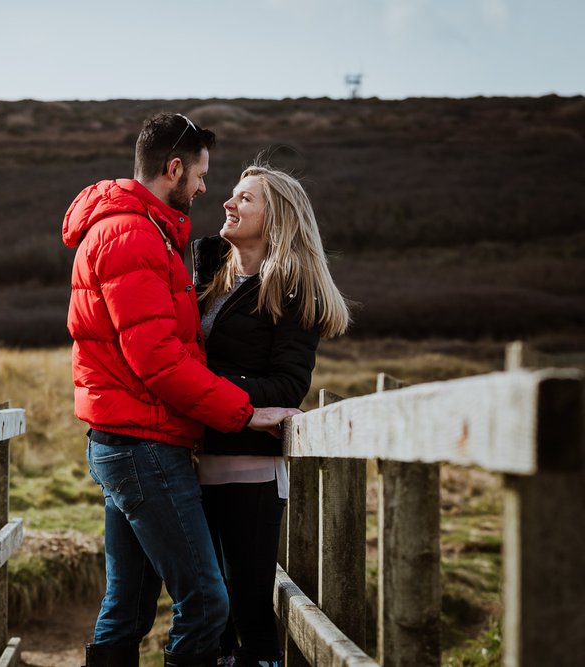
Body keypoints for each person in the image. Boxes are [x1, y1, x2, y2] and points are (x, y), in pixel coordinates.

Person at [63, 114, 301, 667]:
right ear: (173, 169)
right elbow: (159, 360)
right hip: (142, 442)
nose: (203, 189)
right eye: (199, 175)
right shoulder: (134, 235)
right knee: (206, 602)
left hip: (131, 435)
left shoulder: (147, 229)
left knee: (129, 604)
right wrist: (244, 412)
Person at [192, 164, 351, 667]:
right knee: (206, 613)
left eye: (245, 199)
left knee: (249, 611)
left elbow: (287, 387)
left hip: (249, 472)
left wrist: (203, 392)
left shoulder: (292, 288)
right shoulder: (209, 276)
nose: (228, 204)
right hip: (190, 464)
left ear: (276, 217)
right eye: (231, 195)